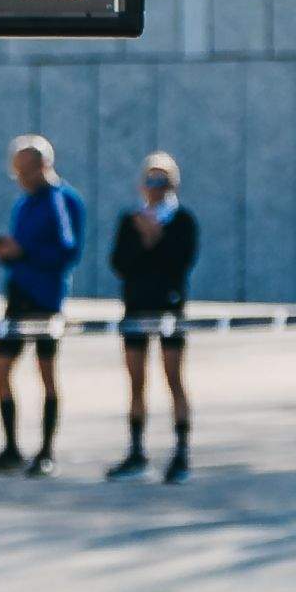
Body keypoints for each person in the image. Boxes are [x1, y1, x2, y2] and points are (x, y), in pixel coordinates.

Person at [0, 135, 82, 476]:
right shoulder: (24, 204)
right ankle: (11, 447)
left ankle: (47, 450)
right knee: (1, 371)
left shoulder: (60, 200)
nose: (21, 178)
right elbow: (20, 249)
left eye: (26, 171)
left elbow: (66, 251)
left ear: (43, 166)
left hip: (45, 297)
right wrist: (5, 251)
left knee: (46, 372)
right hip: (19, 294)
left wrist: (24, 253)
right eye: (17, 172)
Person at [108, 152, 199, 483]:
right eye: (150, 180)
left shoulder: (182, 220)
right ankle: (135, 451)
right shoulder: (130, 219)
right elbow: (119, 263)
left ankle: (181, 452)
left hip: (168, 307)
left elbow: (181, 262)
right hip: (136, 306)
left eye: (162, 181)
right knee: (136, 381)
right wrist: (142, 238)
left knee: (173, 377)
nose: (155, 188)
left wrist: (156, 238)